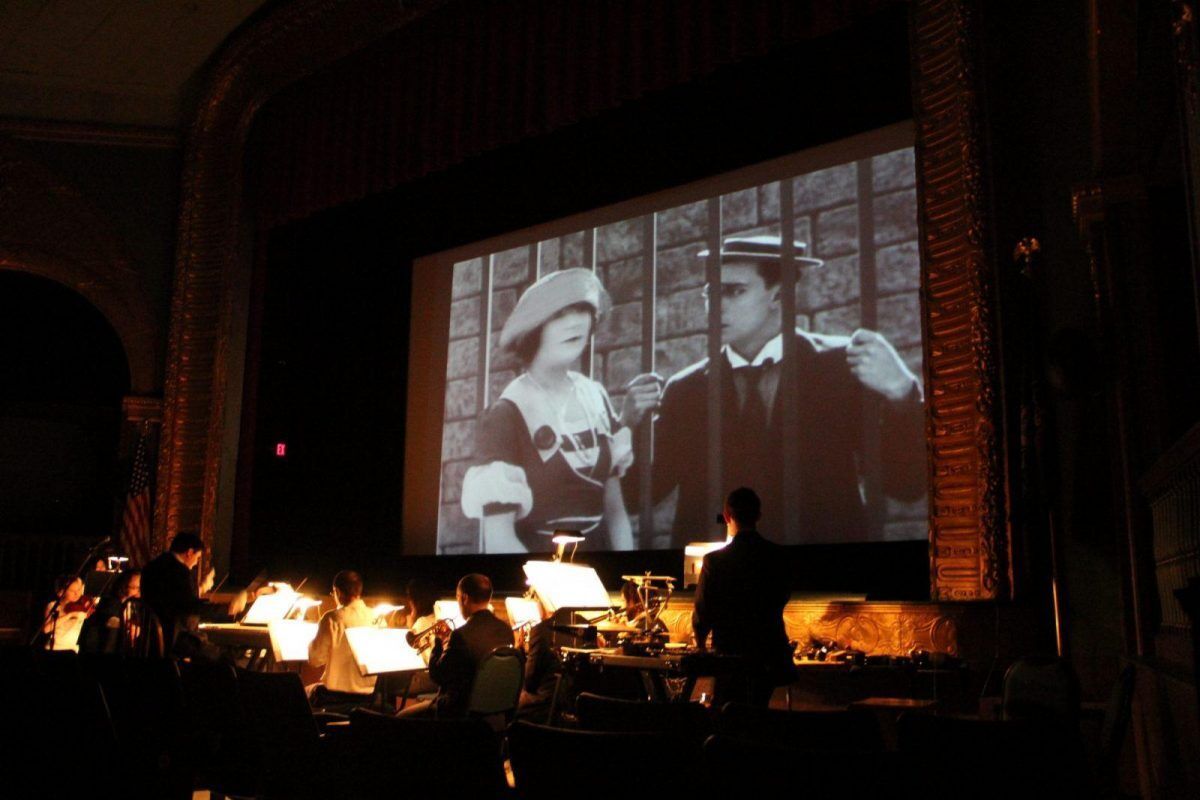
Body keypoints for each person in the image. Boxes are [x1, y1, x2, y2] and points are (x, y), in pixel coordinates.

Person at [623, 235, 926, 545]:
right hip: (721, 577)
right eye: (710, 293)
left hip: (822, 569)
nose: (716, 306)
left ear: (780, 295)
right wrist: (628, 426)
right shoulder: (686, 389)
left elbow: (906, 486)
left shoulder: (841, 367)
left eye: (734, 291)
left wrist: (902, 392)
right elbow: (635, 498)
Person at [460, 268, 635, 554]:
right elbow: (499, 538)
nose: (575, 323)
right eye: (559, 314)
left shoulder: (596, 396)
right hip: (538, 569)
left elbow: (616, 514)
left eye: (583, 310)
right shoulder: (507, 413)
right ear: (533, 329)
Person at [692, 487, 794, 707]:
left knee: (728, 714)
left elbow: (703, 610)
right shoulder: (778, 556)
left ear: (727, 516)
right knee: (760, 711)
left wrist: (700, 644)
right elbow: (782, 596)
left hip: (730, 656)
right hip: (770, 654)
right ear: (758, 516)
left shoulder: (714, 561)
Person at [398, 573, 513, 718]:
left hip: (457, 711)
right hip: (493, 710)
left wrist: (438, 642)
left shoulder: (461, 635)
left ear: (464, 598)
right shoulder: (506, 630)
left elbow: (437, 675)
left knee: (401, 717)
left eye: (458, 598)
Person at [306, 570, 376, 709]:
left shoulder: (332, 618)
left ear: (337, 591)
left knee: (303, 692)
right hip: (370, 697)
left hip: (334, 697)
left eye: (333, 593)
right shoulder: (377, 618)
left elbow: (315, 659)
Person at [140, 531, 215, 655]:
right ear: (189, 552)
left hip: (148, 637)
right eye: (197, 558)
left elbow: (172, 598)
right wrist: (224, 610)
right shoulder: (180, 572)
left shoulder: (151, 566)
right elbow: (188, 606)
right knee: (224, 658)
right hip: (175, 638)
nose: (196, 563)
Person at [78, 569, 141, 654]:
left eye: (140, 587)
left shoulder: (135, 604)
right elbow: (110, 620)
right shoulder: (111, 601)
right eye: (134, 587)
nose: (138, 591)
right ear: (124, 586)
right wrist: (127, 625)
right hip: (98, 646)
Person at [39, 574, 93, 650]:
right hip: (55, 647)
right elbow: (46, 629)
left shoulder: (84, 604)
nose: (77, 594)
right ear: (62, 592)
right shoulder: (53, 605)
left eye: (79, 589)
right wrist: (69, 615)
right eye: (72, 591)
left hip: (73, 649)